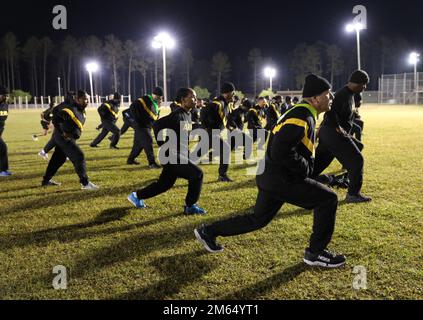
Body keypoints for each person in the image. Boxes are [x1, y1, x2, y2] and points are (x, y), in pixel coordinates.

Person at [194, 74, 348, 269]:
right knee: (327, 199)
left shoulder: (301, 112)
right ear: (316, 98)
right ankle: (316, 253)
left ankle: (208, 231)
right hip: (281, 178)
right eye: (328, 94)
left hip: (271, 175)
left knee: (257, 219)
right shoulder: (302, 116)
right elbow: (281, 151)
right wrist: (305, 169)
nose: (331, 97)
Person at [127, 88, 206, 215]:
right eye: (192, 97)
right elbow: (157, 125)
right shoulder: (177, 114)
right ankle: (190, 206)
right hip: (172, 156)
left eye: (195, 97)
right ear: (183, 100)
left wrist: (199, 127)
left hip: (178, 155)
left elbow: (186, 128)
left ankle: (136, 196)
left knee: (164, 185)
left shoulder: (188, 114)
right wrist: (162, 145)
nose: (195, 100)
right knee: (197, 174)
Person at [312, 70, 372, 203]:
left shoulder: (350, 95)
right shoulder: (342, 95)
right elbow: (329, 113)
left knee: (320, 162)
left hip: (329, 133)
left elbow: (345, 114)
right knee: (357, 160)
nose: (365, 87)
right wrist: (337, 127)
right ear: (358, 83)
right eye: (364, 84)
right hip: (333, 132)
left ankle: (302, 179)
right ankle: (353, 194)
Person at [41, 90, 98, 190]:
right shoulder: (70, 109)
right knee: (79, 156)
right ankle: (85, 183)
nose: (87, 101)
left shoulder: (80, 109)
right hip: (64, 138)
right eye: (85, 99)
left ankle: (46, 181)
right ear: (78, 99)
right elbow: (55, 119)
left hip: (67, 137)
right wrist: (63, 132)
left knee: (58, 159)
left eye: (88, 99)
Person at [200, 82, 236, 182]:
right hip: (211, 133)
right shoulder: (216, 103)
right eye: (232, 93)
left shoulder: (227, 103)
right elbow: (203, 113)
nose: (233, 95)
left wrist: (230, 127)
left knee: (197, 154)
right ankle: (222, 175)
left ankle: (177, 168)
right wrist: (206, 128)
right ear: (227, 93)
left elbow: (226, 118)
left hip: (216, 132)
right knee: (226, 148)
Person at [127, 87, 163, 168]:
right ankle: (152, 163)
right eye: (157, 97)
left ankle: (130, 159)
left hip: (147, 126)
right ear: (153, 95)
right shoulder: (143, 100)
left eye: (160, 98)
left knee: (138, 145)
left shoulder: (155, 102)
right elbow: (132, 107)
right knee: (148, 141)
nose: (159, 99)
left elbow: (154, 115)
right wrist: (137, 120)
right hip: (141, 126)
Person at [38, 92, 75, 161]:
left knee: (55, 140)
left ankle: (43, 152)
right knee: (68, 140)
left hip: (60, 126)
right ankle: (67, 155)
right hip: (63, 126)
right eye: (73, 97)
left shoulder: (62, 105)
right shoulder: (68, 105)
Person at [0, 86, 11, 177]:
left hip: (0, 130)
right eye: (4, 95)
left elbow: (3, 120)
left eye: (7, 96)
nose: (6, 97)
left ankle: (3, 170)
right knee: (3, 148)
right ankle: (2, 170)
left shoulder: (6, 105)